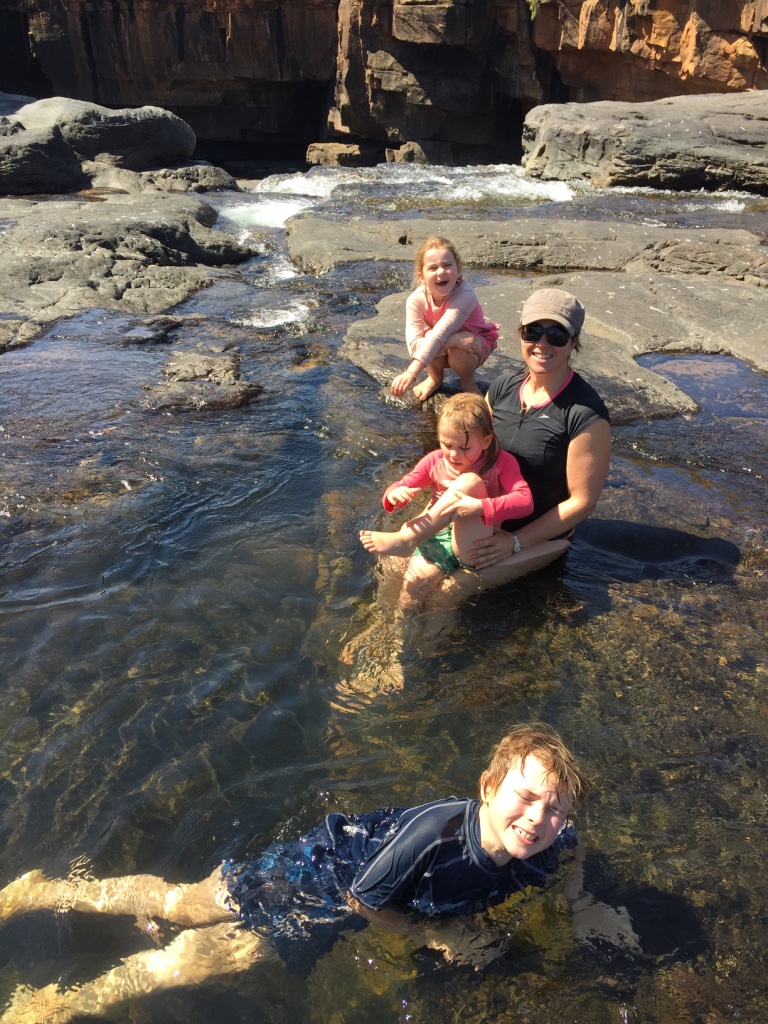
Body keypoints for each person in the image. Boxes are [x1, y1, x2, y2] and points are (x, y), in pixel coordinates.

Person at [0, 725, 590, 1023]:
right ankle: (57, 999)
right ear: (488, 788)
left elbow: (573, 849)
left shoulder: (545, 842)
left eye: (555, 808)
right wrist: (433, 934)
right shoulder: (435, 833)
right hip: (317, 882)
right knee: (193, 936)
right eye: (525, 796)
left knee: (185, 909)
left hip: (338, 881)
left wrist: (570, 897)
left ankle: (50, 908)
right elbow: (362, 900)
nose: (538, 818)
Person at [412, 287, 612, 605]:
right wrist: (433, 511)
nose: (542, 343)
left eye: (557, 335)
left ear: (574, 341)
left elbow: (582, 503)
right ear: (521, 334)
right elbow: (471, 458)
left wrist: (515, 542)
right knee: (407, 575)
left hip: (537, 537)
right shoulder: (504, 387)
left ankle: (413, 653)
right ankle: (388, 649)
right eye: (533, 331)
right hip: (484, 517)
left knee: (446, 595)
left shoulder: (585, 414)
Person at [359, 393, 533, 610]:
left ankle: (408, 539)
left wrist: (480, 506)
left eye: (464, 448)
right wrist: (395, 494)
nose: (453, 455)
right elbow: (404, 484)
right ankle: (399, 638)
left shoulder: (501, 462)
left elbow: (526, 501)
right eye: (446, 444)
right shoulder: (435, 460)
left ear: (487, 441)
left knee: (468, 481)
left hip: (473, 541)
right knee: (408, 598)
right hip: (437, 535)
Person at [390, 236, 499, 402]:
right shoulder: (415, 300)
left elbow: (440, 334)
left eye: (447, 265)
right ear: (421, 276)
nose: (441, 272)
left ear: (459, 269)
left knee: (457, 348)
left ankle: (468, 384)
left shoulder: (465, 295)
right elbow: (413, 346)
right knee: (429, 339)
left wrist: (411, 373)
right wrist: (454, 340)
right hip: (446, 344)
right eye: (432, 268)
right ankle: (435, 378)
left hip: (473, 345)